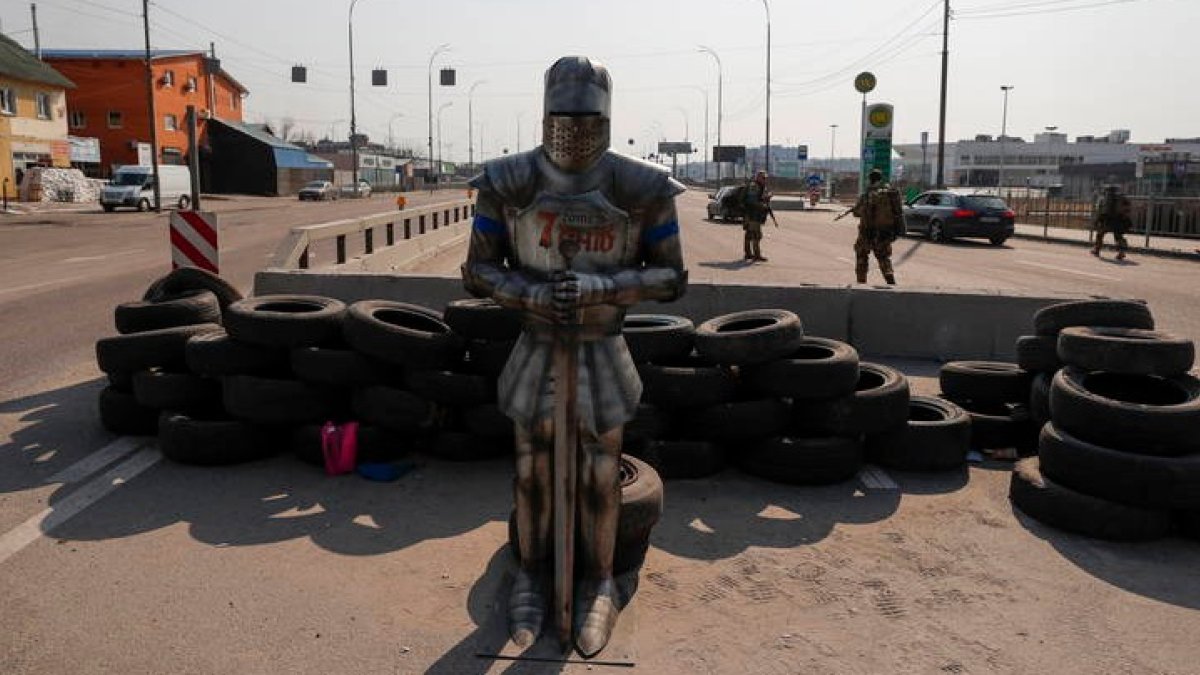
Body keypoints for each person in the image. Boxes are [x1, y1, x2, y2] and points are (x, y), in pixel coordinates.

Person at [461, 56, 686, 657]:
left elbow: (670, 276)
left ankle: (599, 582)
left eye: (588, 117)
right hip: (536, 344)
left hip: (601, 346)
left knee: (598, 475)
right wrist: (528, 290)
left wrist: (602, 288)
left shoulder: (638, 185)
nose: (575, 129)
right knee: (532, 469)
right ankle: (531, 574)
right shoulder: (508, 180)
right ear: (544, 114)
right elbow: (476, 268)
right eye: (564, 116)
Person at [850, 168, 904, 284]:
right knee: (883, 257)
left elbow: (857, 212)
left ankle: (861, 283)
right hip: (884, 232)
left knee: (861, 256)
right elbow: (897, 212)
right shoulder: (889, 194)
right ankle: (890, 280)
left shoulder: (866, 194)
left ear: (870, 180)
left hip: (866, 232)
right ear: (880, 179)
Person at [1092, 184, 1131, 260]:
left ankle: (1096, 249)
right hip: (1118, 219)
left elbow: (1099, 210)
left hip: (1106, 219)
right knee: (1118, 236)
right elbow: (1127, 208)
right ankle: (1121, 252)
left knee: (1100, 234)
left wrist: (1097, 220)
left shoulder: (1103, 198)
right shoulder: (1122, 198)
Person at [742, 170, 772, 261]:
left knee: (749, 234)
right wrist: (763, 203)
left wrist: (765, 199)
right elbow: (752, 201)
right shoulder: (754, 186)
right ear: (758, 178)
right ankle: (756, 255)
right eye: (763, 178)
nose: (765, 180)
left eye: (765, 178)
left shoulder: (758, 186)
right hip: (753, 214)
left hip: (751, 214)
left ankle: (748, 254)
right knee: (756, 235)